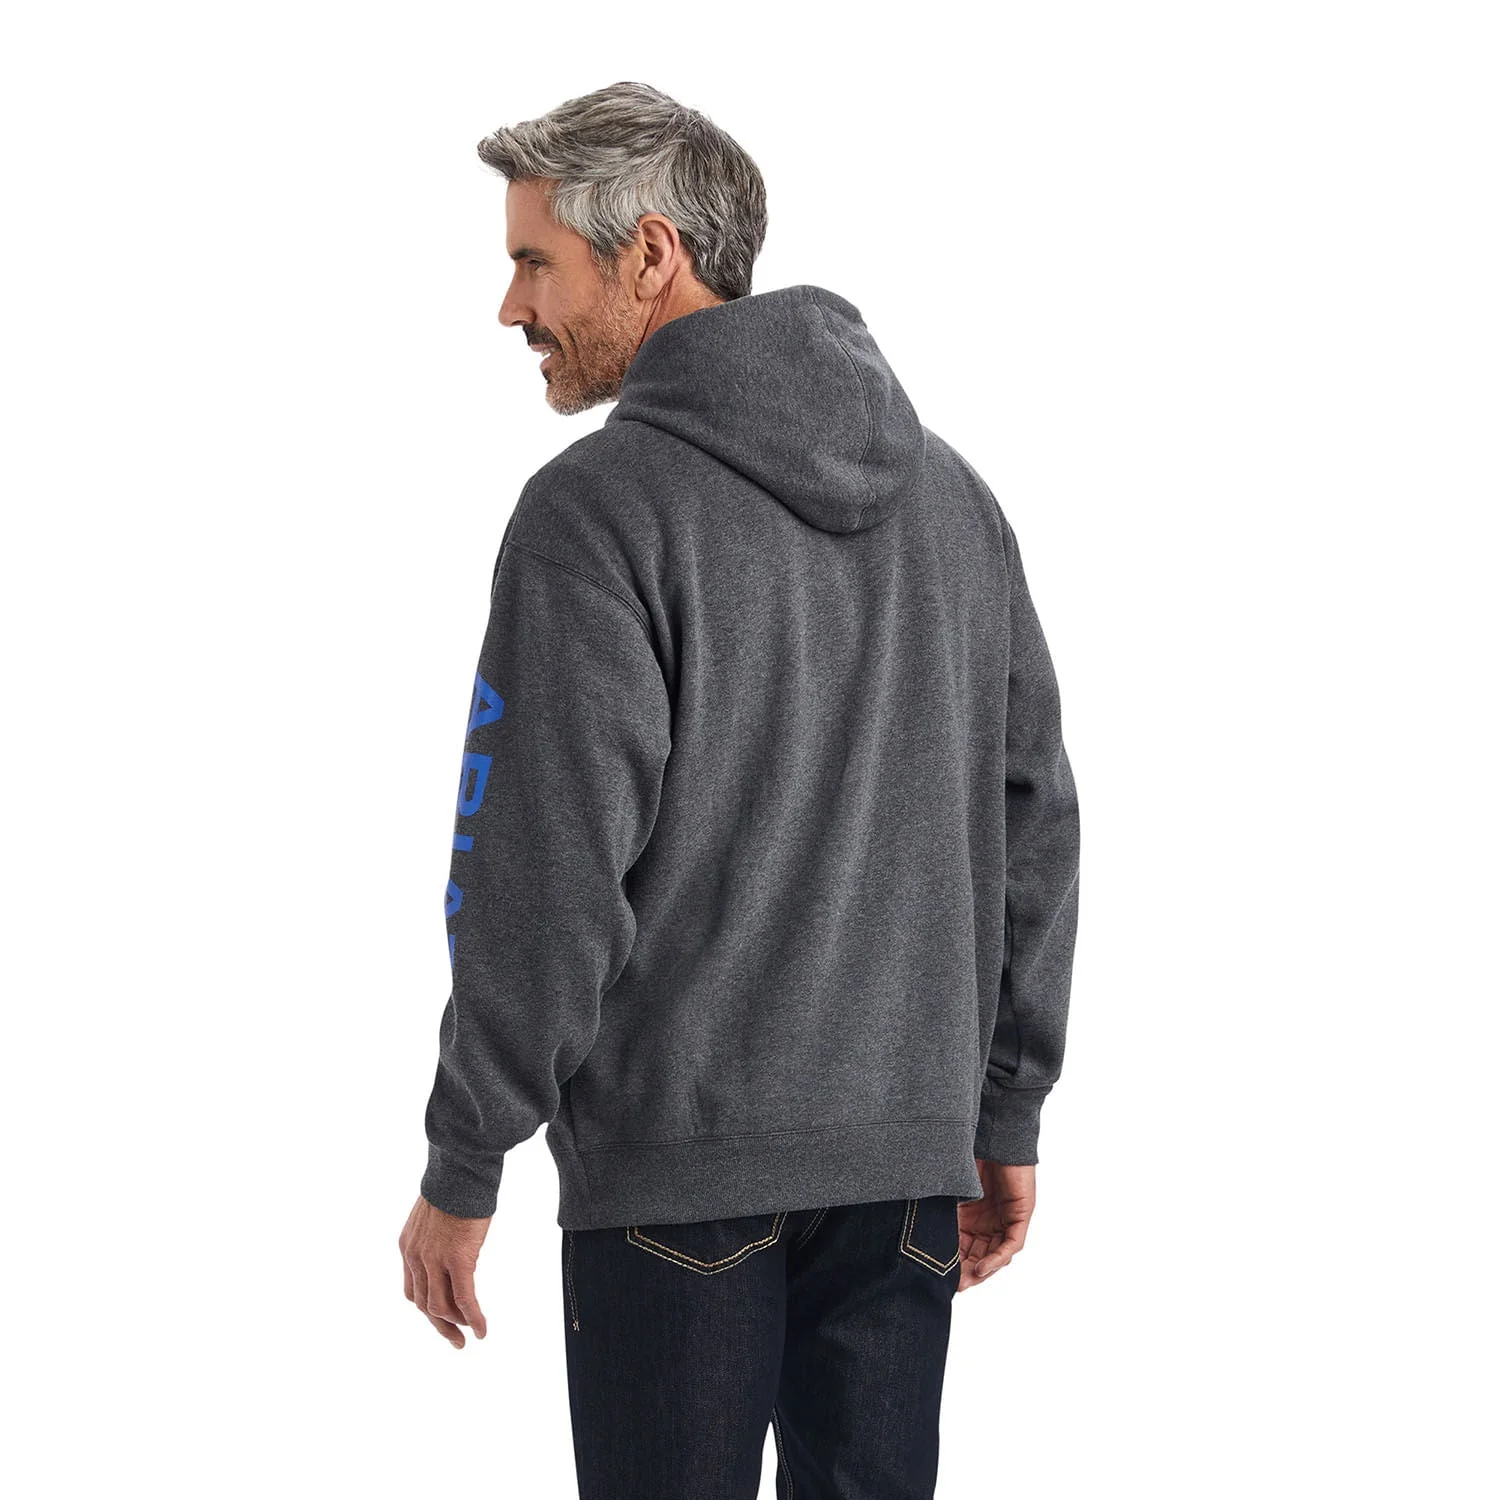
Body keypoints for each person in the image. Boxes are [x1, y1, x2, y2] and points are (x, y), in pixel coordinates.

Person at [397, 80, 1082, 1500]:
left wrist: (466, 1156)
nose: (511, 307)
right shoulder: (954, 500)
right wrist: (1002, 1109)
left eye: (534, 262)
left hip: (677, 1176)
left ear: (650, 253)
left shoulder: (597, 513)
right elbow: (1036, 822)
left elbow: (543, 872)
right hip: (903, 1174)